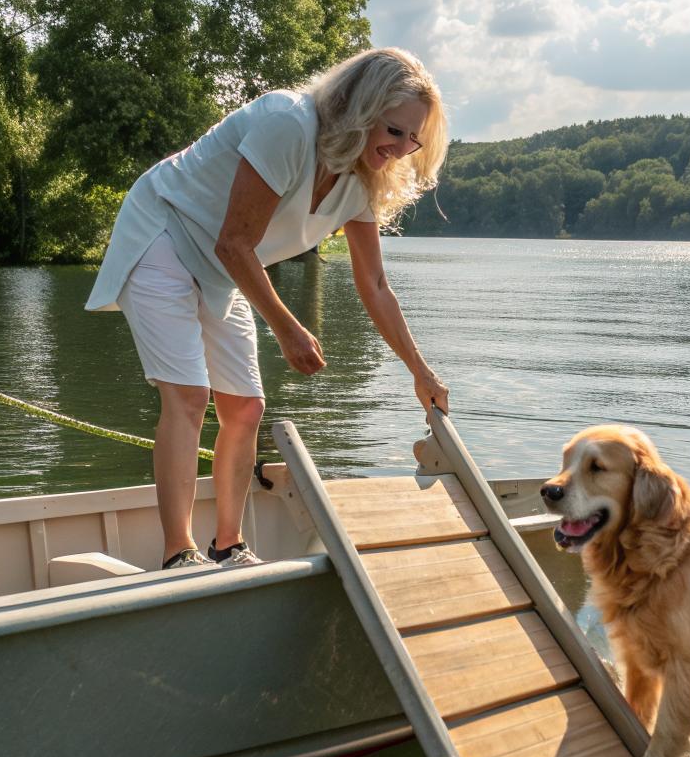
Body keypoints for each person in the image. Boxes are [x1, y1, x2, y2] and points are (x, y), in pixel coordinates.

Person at [86, 47, 450, 569]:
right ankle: (178, 553)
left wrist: (420, 370)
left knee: (246, 407)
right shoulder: (289, 123)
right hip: (164, 231)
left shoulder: (362, 180)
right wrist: (289, 329)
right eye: (394, 131)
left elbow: (374, 284)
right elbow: (235, 242)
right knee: (189, 396)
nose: (400, 148)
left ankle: (229, 546)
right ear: (360, 108)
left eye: (412, 139)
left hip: (220, 264)